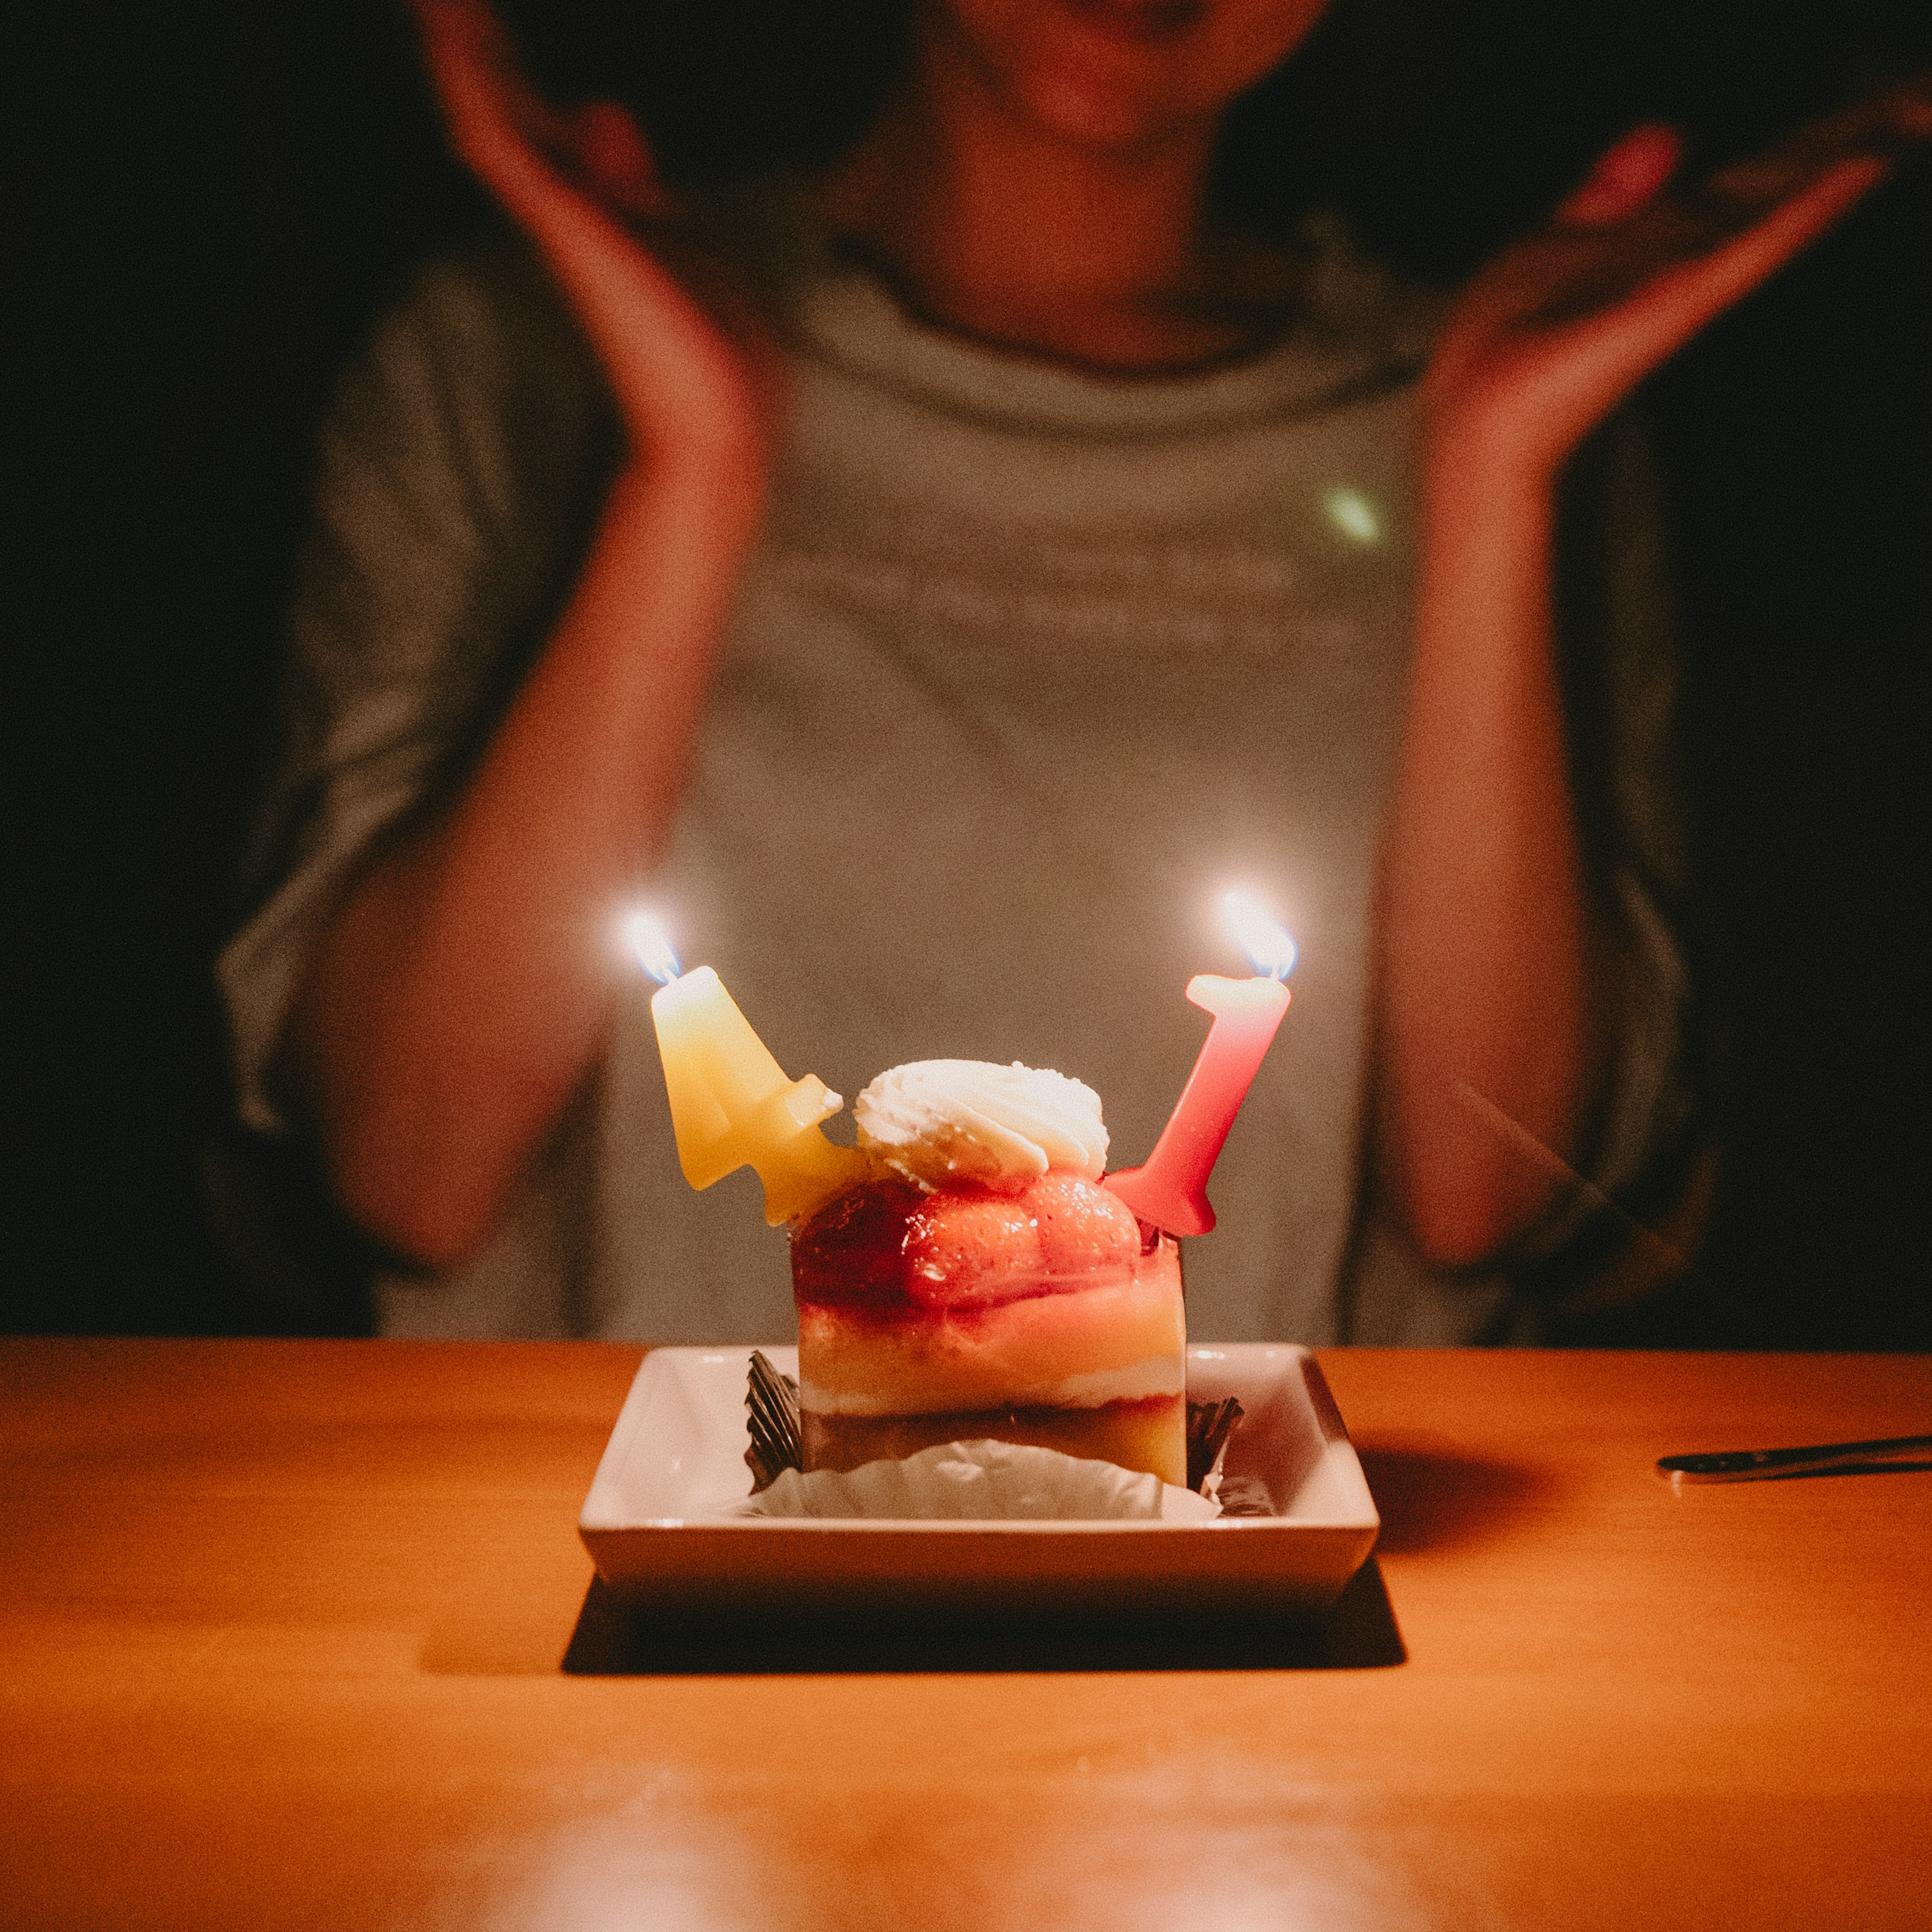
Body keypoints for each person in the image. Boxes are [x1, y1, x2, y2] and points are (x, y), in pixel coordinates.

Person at [218, 0, 1931, 1344]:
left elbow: (1495, 1201)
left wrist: (1485, 477)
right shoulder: (515, 352)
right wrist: (693, 471)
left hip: (1283, 1664)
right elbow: (404, 1172)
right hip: (628, 1647)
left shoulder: (1509, 401)